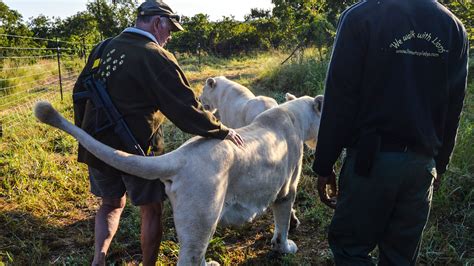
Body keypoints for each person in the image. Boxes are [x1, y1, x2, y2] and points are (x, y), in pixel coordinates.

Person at [72, 1, 244, 265]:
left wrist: (86, 136)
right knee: (151, 208)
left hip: (97, 144)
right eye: (170, 29)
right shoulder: (155, 55)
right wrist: (221, 130)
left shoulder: (103, 47)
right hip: (139, 151)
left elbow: (79, 92)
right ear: (157, 23)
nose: (171, 36)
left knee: (110, 204)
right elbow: (186, 109)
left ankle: (99, 260)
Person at [312, 0, 468, 265]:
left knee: (351, 249)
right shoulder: (453, 26)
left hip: (370, 165)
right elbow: (454, 105)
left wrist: (324, 164)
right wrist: (439, 165)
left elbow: (340, 99)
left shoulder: (361, 17)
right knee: (400, 258)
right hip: (421, 166)